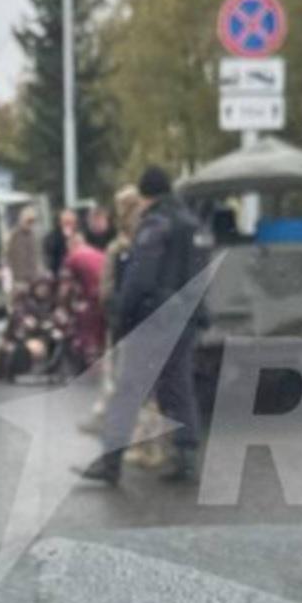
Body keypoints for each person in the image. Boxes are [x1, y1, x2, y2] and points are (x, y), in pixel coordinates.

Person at [79, 166, 205, 486]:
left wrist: (123, 317)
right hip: (185, 319)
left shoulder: (155, 225)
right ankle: (187, 459)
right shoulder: (193, 225)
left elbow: (140, 279)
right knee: (179, 387)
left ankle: (110, 463)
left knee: (128, 389)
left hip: (155, 321)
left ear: (146, 195)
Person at [60, 232, 107, 372]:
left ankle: (90, 361)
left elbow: (65, 287)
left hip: (91, 298)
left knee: (86, 327)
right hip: (106, 296)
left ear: (71, 245)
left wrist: (62, 305)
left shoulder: (72, 257)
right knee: (102, 330)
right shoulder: (99, 253)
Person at [3, 206, 40, 296]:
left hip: (32, 280)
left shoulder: (33, 236)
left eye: (32, 221)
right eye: (28, 221)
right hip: (17, 280)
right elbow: (5, 258)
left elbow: (36, 257)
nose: (30, 224)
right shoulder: (12, 235)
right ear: (21, 219)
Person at [43, 208, 78, 276]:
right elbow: (50, 259)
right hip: (58, 274)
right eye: (66, 223)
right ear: (59, 223)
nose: (69, 225)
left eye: (72, 223)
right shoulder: (51, 238)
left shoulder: (79, 236)